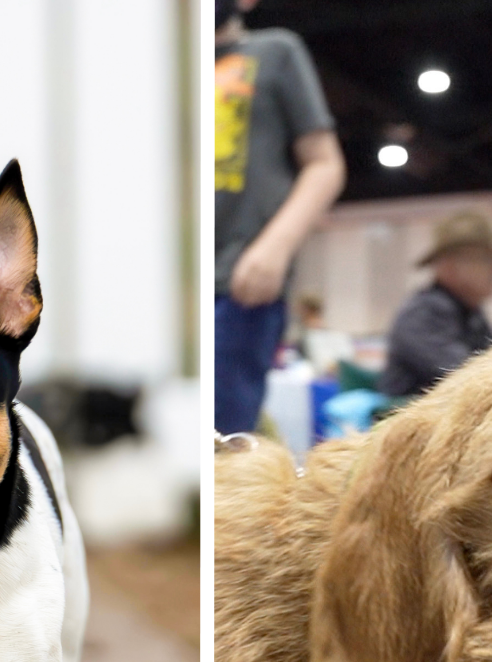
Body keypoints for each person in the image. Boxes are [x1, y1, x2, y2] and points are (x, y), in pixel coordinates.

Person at [214, 0, 345, 434]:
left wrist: (276, 246)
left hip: (240, 279)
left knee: (223, 431)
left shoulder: (274, 52)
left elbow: (324, 163)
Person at [378, 210, 492, 399]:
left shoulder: (472, 315)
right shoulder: (423, 314)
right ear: (448, 265)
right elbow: (472, 379)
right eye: (486, 258)